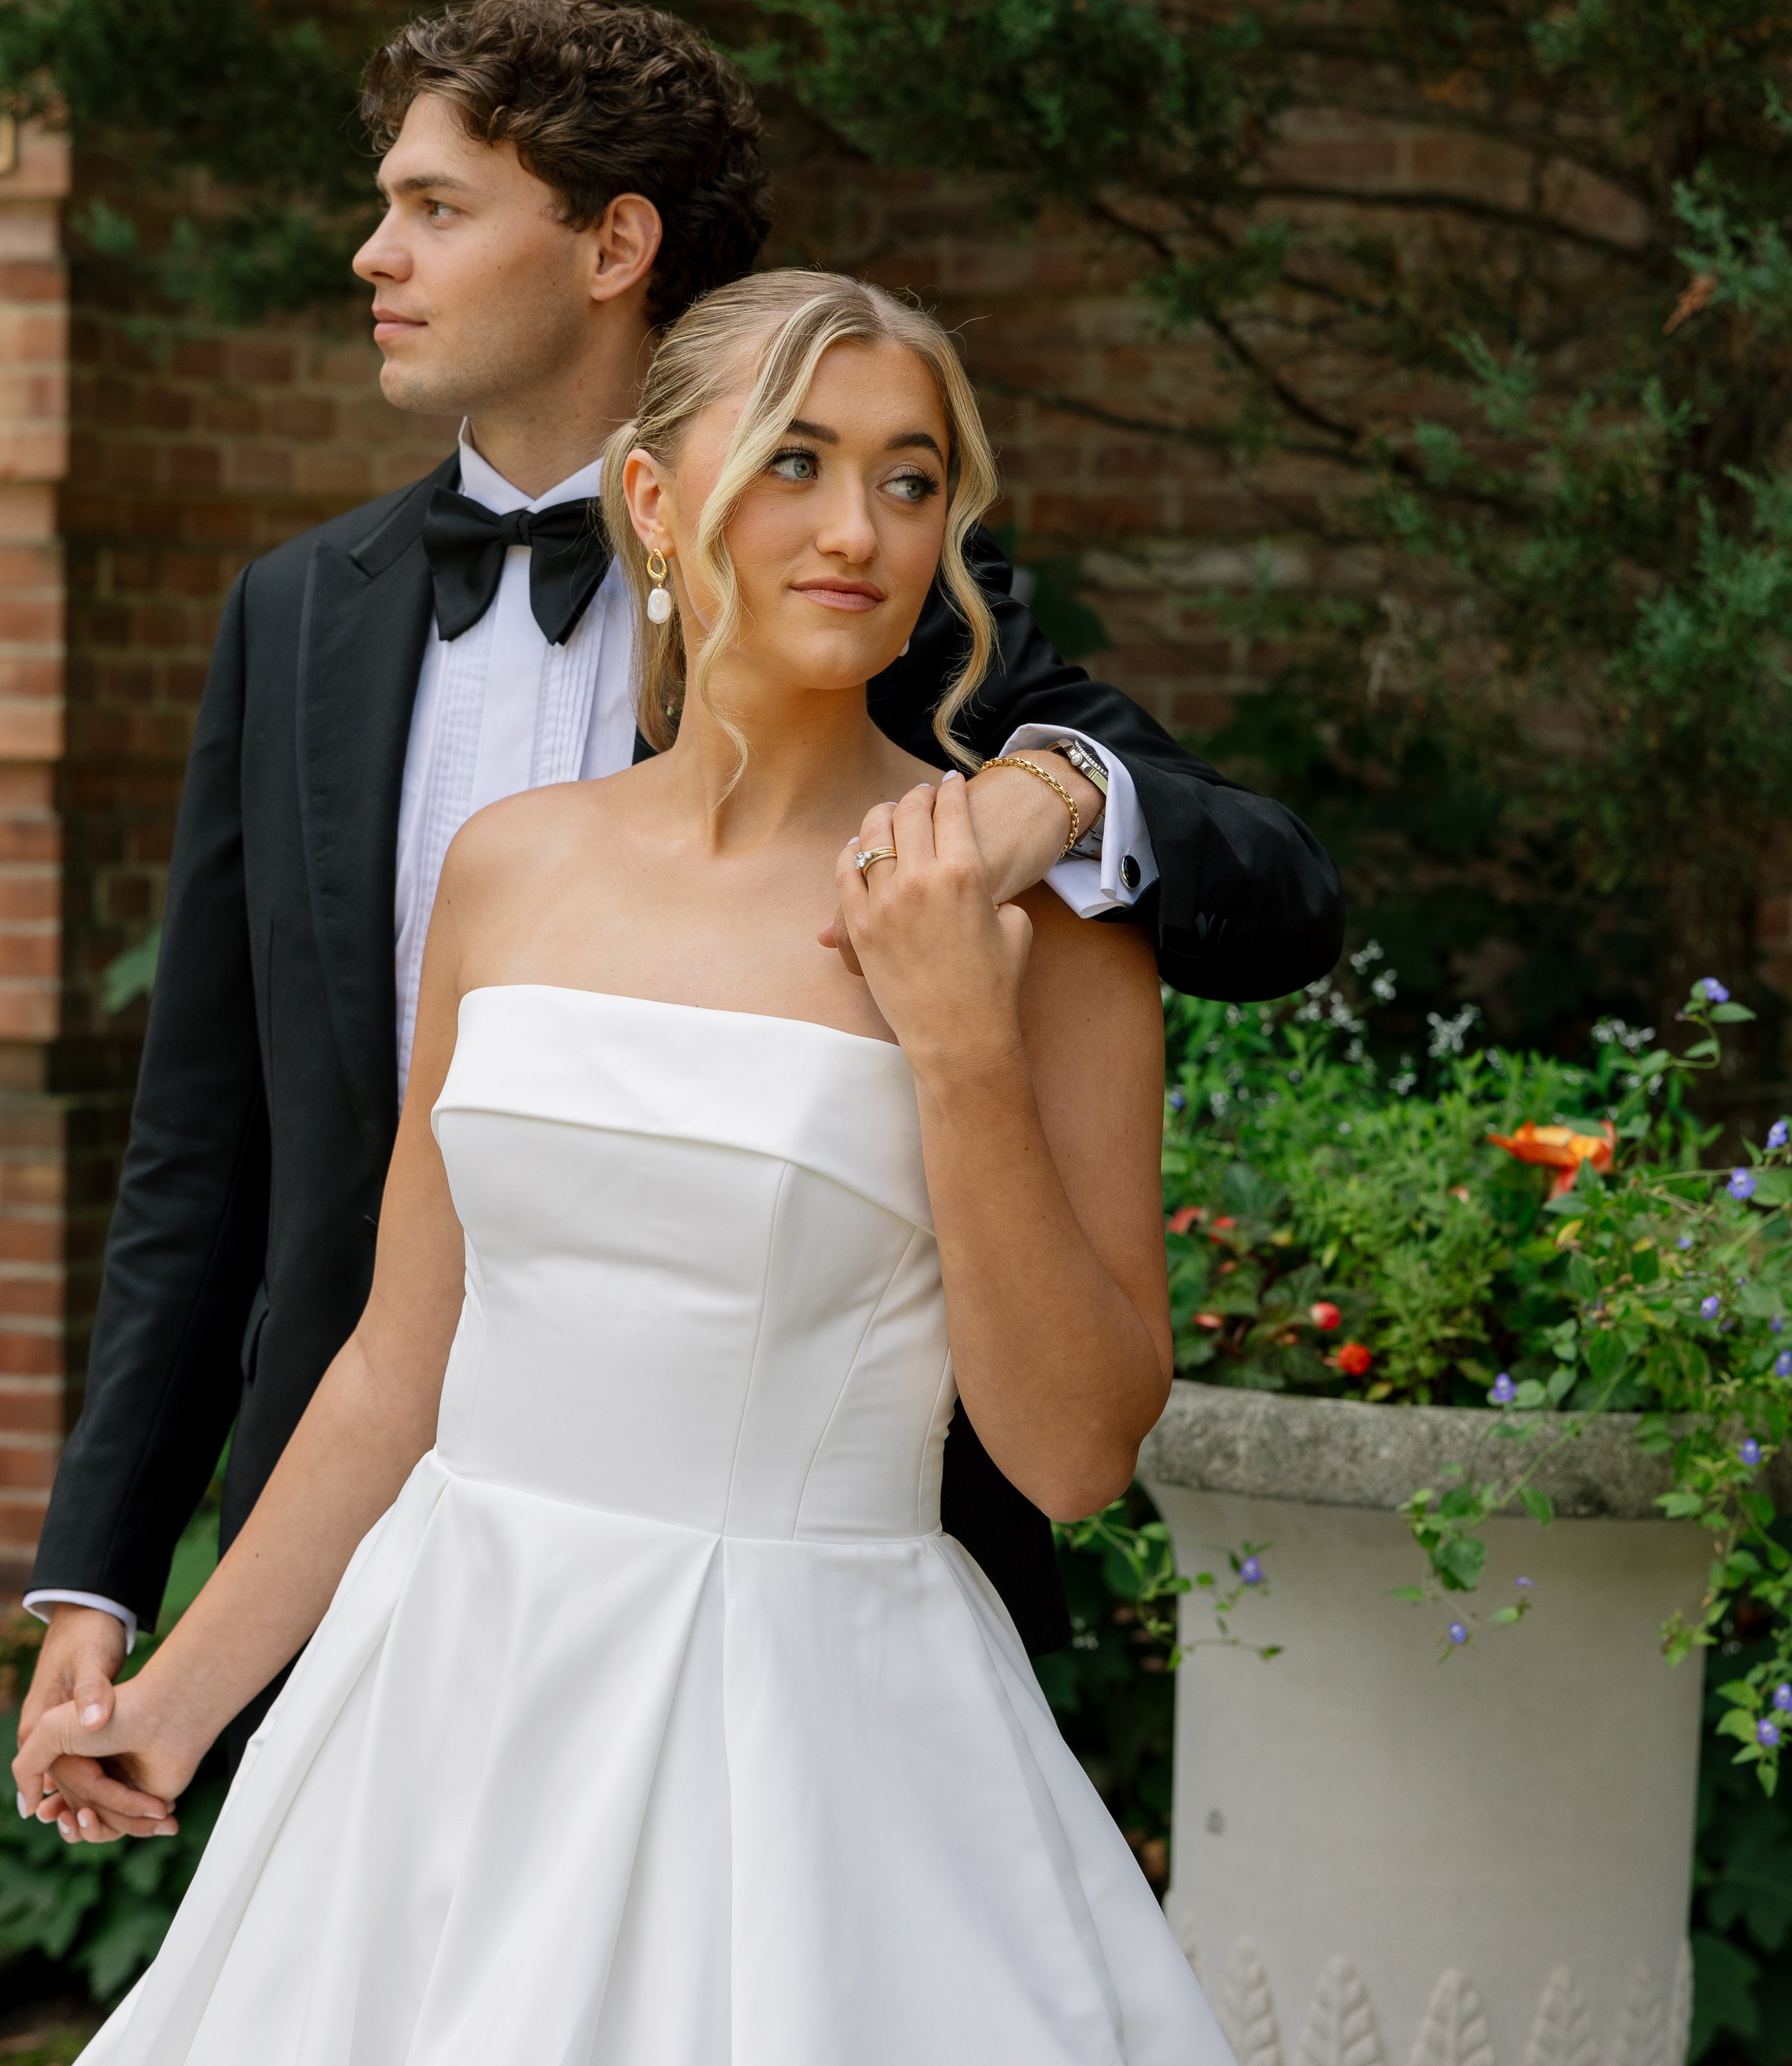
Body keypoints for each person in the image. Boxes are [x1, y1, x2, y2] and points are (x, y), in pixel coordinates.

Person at [19, 0, 1342, 1819]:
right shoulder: (311, 627)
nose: (373, 251)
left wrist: (1037, 807)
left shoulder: (938, 676)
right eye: (792, 464)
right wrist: (118, 1588)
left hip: (820, 1665)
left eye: (434, 204)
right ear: (661, 500)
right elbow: (212, 1147)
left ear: (608, 245)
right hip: (398, 1590)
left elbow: (1256, 876)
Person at [17, 270, 1238, 2063]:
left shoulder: (1042, 928)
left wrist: (959, 1043)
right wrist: (178, 1702)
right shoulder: (509, 867)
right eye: (796, 462)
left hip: (818, 1750)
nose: (858, 529)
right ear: (656, 505)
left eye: (912, 480)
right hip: (443, 1698)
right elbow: (398, 1361)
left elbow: (1070, 1459)